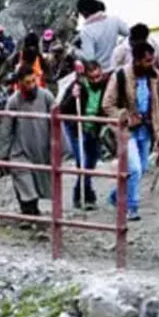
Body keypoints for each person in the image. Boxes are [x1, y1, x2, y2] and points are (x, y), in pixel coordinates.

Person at [103, 41, 159, 221]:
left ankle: (115, 196)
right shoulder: (120, 76)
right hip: (126, 130)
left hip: (148, 129)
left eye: (152, 60)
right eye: (147, 61)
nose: (151, 64)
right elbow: (107, 104)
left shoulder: (155, 76)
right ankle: (131, 207)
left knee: (140, 169)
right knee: (133, 168)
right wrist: (125, 116)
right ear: (136, 60)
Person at [0, 66, 55, 217]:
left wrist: (57, 148)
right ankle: (28, 212)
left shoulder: (46, 97)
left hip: (41, 148)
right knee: (24, 180)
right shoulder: (13, 101)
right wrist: (3, 153)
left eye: (33, 81)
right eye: (27, 82)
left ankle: (32, 212)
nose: (31, 85)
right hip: (20, 150)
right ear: (20, 83)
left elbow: (57, 123)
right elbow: (6, 128)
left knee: (38, 182)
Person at [60, 60, 107, 210]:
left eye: (98, 77)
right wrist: (73, 97)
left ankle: (81, 192)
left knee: (91, 163)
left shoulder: (106, 87)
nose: (95, 80)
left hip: (94, 129)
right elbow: (63, 108)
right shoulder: (77, 86)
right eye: (91, 78)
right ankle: (85, 195)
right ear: (86, 76)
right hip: (77, 129)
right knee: (83, 162)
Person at [73, 0, 131, 73]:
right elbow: (131, 33)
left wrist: (75, 51)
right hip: (119, 69)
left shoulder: (86, 31)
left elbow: (89, 57)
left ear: (84, 12)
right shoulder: (114, 20)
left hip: (101, 73)